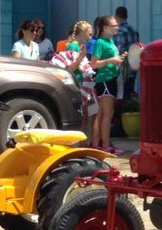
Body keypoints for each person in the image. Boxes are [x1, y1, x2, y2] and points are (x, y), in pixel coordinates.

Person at [51, 20, 97, 145]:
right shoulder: (73, 47)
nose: (90, 37)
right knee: (82, 115)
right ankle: (78, 143)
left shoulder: (80, 46)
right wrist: (81, 58)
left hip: (80, 84)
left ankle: (81, 142)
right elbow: (70, 68)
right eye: (89, 34)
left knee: (85, 114)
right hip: (76, 85)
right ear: (81, 33)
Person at [90, 15, 126, 155]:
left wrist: (118, 59)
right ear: (105, 28)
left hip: (112, 79)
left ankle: (101, 142)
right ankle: (105, 145)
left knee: (106, 114)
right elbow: (93, 63)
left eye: (117, 25)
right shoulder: (100, 43)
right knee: (107, 114)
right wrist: (111, 60)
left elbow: (110, 59)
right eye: (113, 26)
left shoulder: (110, 41)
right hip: (104, 80)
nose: (116, 28)